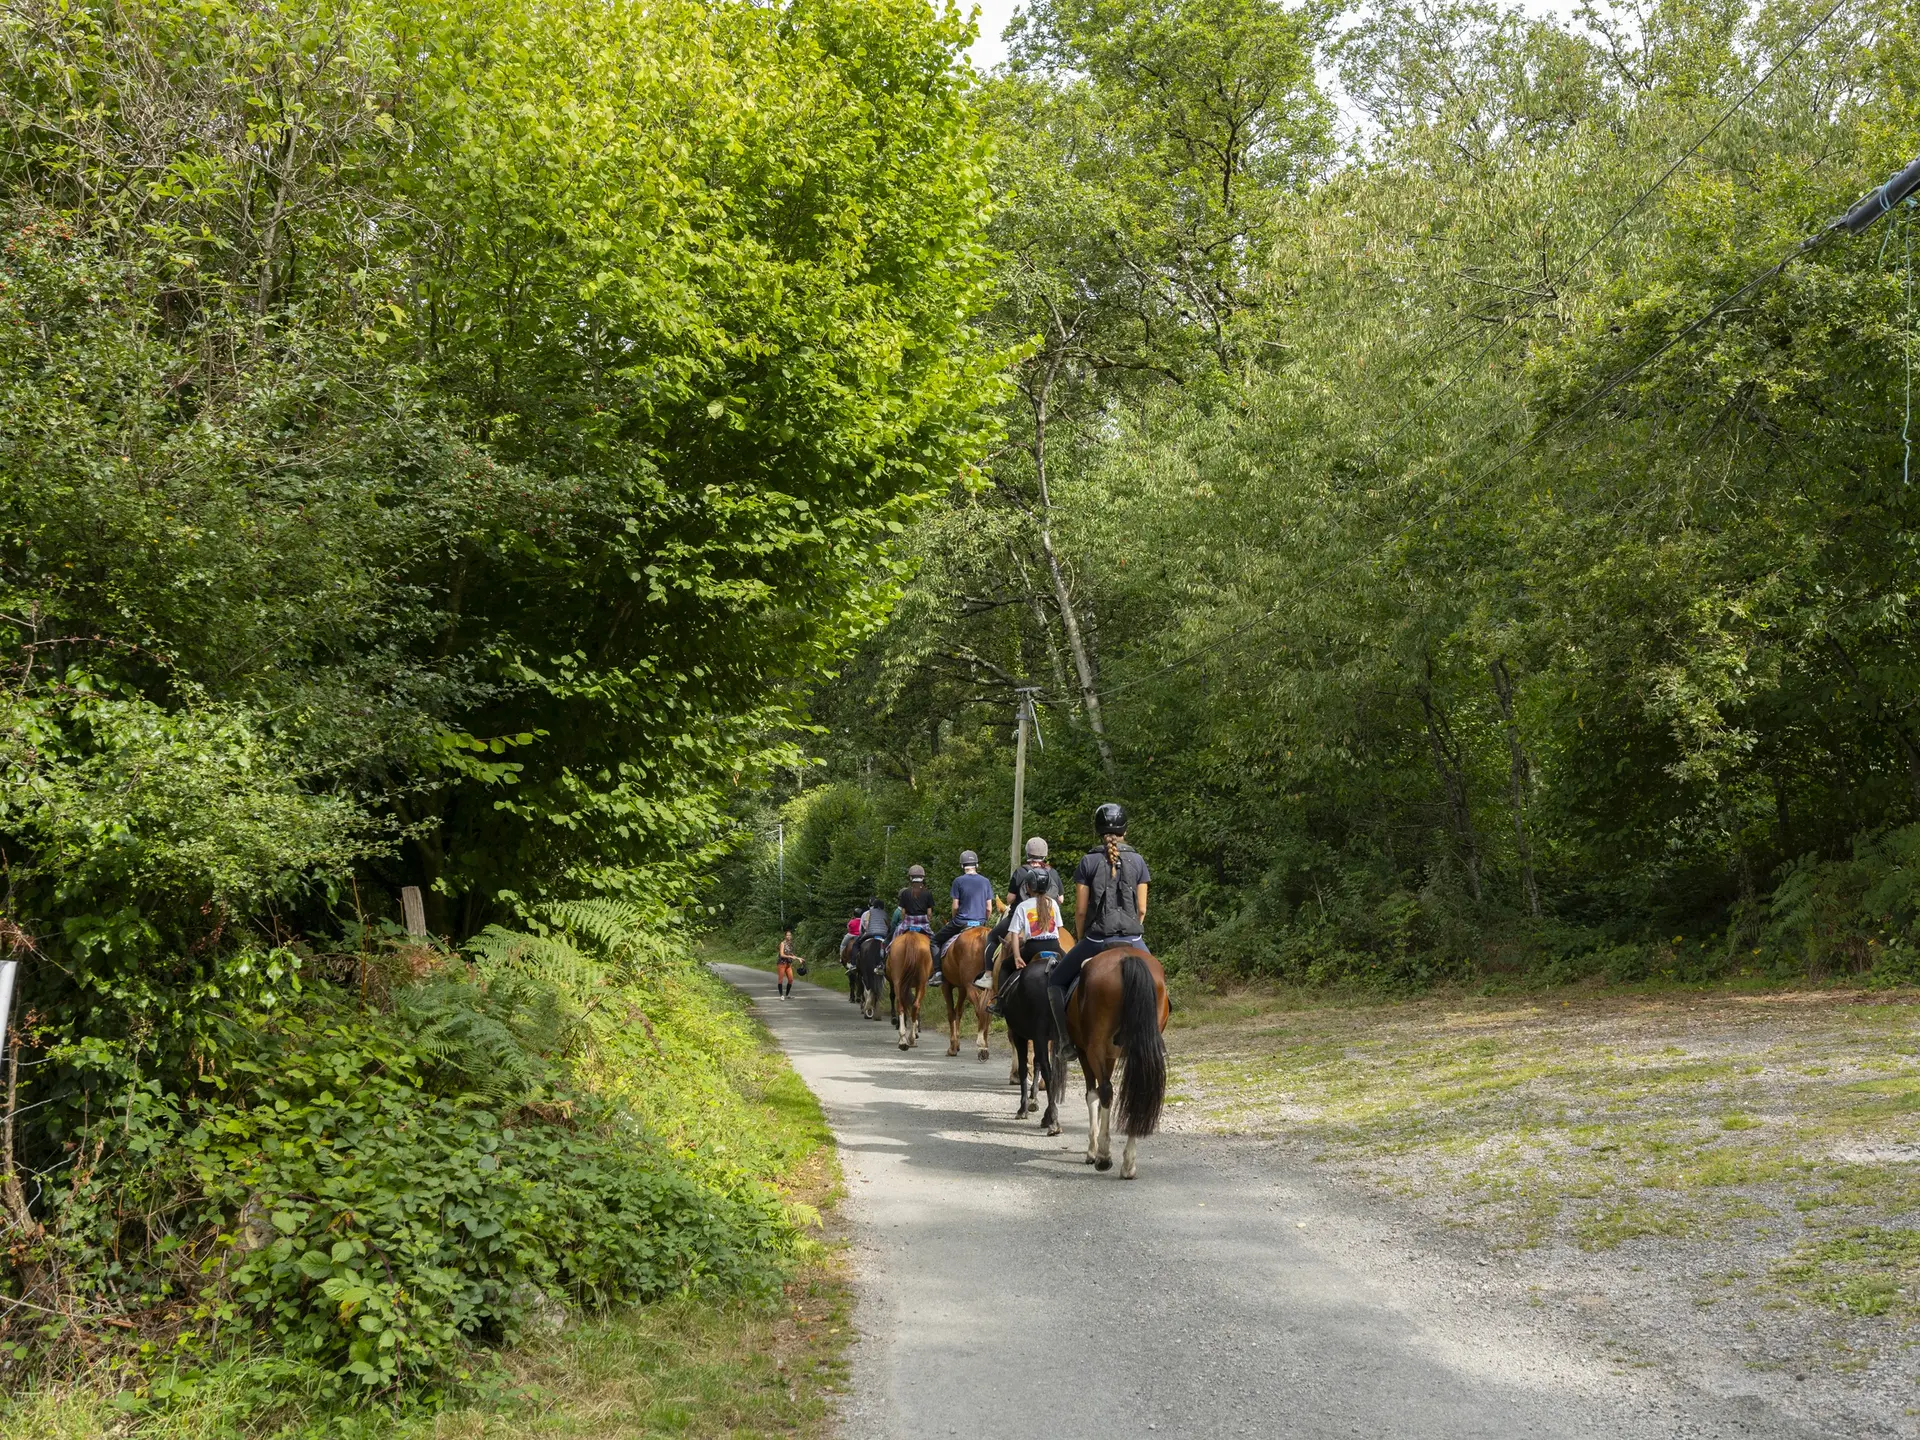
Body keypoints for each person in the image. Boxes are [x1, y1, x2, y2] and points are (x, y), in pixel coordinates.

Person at [1053, 802, 1151, 1062]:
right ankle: (1155, 1039)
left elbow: (1082, 911)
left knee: (1055, 982)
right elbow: (1141, 909)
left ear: (1098, 830)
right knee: (1154, 982)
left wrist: (1084, 935)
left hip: (1097, 939)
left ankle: (1065, 1042)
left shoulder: (1088, 861)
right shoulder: (1139, 861)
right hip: (1133, 938)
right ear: (1125, 831)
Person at [984, 837, 1063, 1003]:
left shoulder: (1021, 873)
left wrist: (1017, 955)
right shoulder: (1053, 874)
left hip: (1028, 938)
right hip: (1054, 939)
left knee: (994, 943)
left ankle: (996, 994)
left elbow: (1011, 899)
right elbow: (1061, 900)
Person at [931, 850, 997, 975]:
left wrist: (954, 918)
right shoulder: (985, 881)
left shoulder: (958, 881)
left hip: (961, 922)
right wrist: (984, 921)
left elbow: (955, 906)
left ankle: (938, 973)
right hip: (980, 922)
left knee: (935, 941)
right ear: (976, 865)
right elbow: (989, 908)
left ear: (962, 866)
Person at [891, 864, 937, 969]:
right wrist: (928, 920)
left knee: (893, 939)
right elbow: (929, 912)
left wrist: (904, 920)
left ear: (910, 878)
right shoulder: (928, 893)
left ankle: (886, 958)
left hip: (908, 921)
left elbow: (903, 911)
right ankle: (937, 967)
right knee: (935, 942)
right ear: (923, 877)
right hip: (923, 923)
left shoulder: (905, 893)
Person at [776, 929, 798, 999]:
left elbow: (791, 954)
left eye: (790, 935)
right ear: (785, 936)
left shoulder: (790, 944)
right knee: (780, 979)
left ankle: (787, 994)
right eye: (787, 935)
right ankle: (781, 995)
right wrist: (790, 956)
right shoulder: (783, 943)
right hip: (782, 963)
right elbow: (782, 954)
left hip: (788, 964)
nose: (789, 936)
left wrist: (799, 958)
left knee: (791, 979)